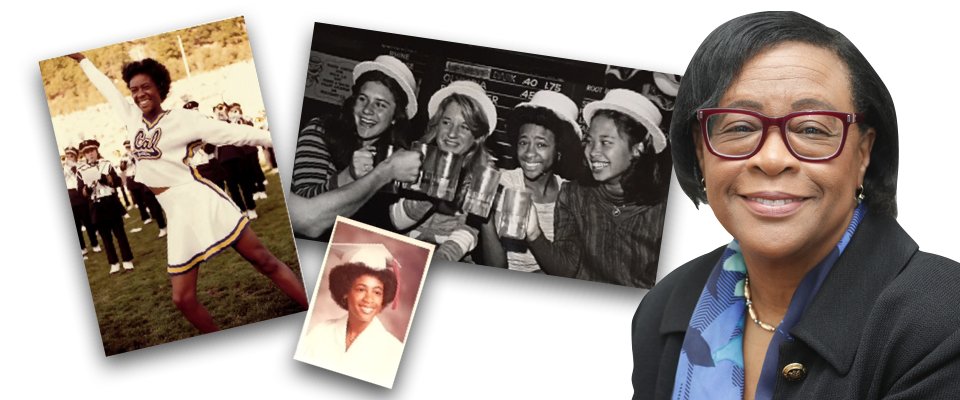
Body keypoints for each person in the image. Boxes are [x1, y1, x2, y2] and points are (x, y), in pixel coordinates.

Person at [631, 11, 960, 400]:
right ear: (701, 153)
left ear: (864, 153)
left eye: (810, 129)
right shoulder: (667, 306)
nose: (772, 159)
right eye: (739, 126)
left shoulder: (943, 319)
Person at [68, 52, 307, 333]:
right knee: (182, 298)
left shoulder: (182, 119)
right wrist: (83, 60)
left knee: (263, 260)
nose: (139, 94)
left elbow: (231, 133)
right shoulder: (131, 118)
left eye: (146, 86)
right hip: (176, 212)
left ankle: (313, 312)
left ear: (160, 87)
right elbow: (107, 89)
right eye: (134, 89)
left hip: (200, 199)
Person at [524, 89, 671, 288]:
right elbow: (566, 269)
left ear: (638, 148)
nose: (593, 152)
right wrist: (534, 234)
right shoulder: (573, 195)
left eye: (606, 142)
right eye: (589, 141)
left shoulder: (665, 211)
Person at [288, 55, 423, 239]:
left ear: (394, 118)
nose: (367, 110)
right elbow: (304, 210)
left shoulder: (396, 158)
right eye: (362, 99)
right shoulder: (320, 131)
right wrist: (348, 175)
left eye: (380, 104)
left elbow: (389, 222)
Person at [390, 80, 497, 262]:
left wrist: (438, 262)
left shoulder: (483, 175)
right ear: (437, 125)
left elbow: (467, 233)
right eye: (447, 122)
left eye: (464, 127)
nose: (452, 134)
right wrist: (433, 192)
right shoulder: (414, 160)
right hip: (403, 255)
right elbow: (397, 221)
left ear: (476, 137)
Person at [478, 90, 583, 272]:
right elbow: (494, 268)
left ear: (559, 150)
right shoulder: (501, 183)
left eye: (541, 144)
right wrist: (484, 214)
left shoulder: (572, 196)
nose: (529, 153)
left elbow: (567, 269)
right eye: (523, 142)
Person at [296, 257, 403, 388]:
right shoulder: (320, 331)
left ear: (383, 299)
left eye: (377, 292)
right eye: (361, 289)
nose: (369, 299)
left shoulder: (394, 351)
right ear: (345, 293)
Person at [77, 139, 135, 274]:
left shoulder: (106, 164)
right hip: (96, 205)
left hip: (111, 202)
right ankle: (113, 263)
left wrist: (107, 179)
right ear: (84, 155)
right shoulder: (81, 170)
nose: (90, 154)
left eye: (92, 151)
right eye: (87, 152)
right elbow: (81, 192)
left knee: (120, 234)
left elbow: (118, 182)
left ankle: (127, 260)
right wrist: (88, 188)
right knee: (105, 237)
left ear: (96, 151)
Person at [119, 139, 167, 236]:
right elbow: (122, 168)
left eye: (128, 146)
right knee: (140, 200)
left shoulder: (137, 151)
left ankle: (159, 218)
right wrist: (124, 161)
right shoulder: (124, 156)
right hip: (132, 178)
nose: (127, 148)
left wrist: (132, 156)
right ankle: (151, 220)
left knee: (151, 201)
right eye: (126, 147)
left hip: (143, 177)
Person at [63, 146, 99, 256]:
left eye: (71, 155)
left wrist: (74, 167)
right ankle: (82, 247)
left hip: (80, 195)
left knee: (88, 221)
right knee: (75, 225)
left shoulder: (80, 166)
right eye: (67, 155)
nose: (69, 157)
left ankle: (94, 243)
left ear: (76, 156)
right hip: (70, 196)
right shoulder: (63, 167)